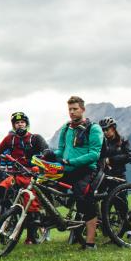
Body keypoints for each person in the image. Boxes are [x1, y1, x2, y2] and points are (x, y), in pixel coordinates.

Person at [50, 96, 103, 249]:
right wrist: (52, 154)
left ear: (83, 109)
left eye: (75, 109)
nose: (72, 112)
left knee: (84, 199)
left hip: (87, 170)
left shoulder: (93, 128)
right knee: (45, 184)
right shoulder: (66, 129)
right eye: (70, 110)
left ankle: (91, 243)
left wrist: (72, 161)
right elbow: (62, 150)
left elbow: (94, 154)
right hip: (67, 170)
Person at [0, 112, 50, 244]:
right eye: (16, 122)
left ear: (26, 124)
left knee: (30, 203)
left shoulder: (35, 138)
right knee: (2, 188)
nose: (20, 124)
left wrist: (43, 155)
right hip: (16, 173)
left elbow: (46, 150)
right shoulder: (10, 139)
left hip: (31, 173)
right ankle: (11, 214)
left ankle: (31, 236)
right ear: (13, 125)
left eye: (22, 122)